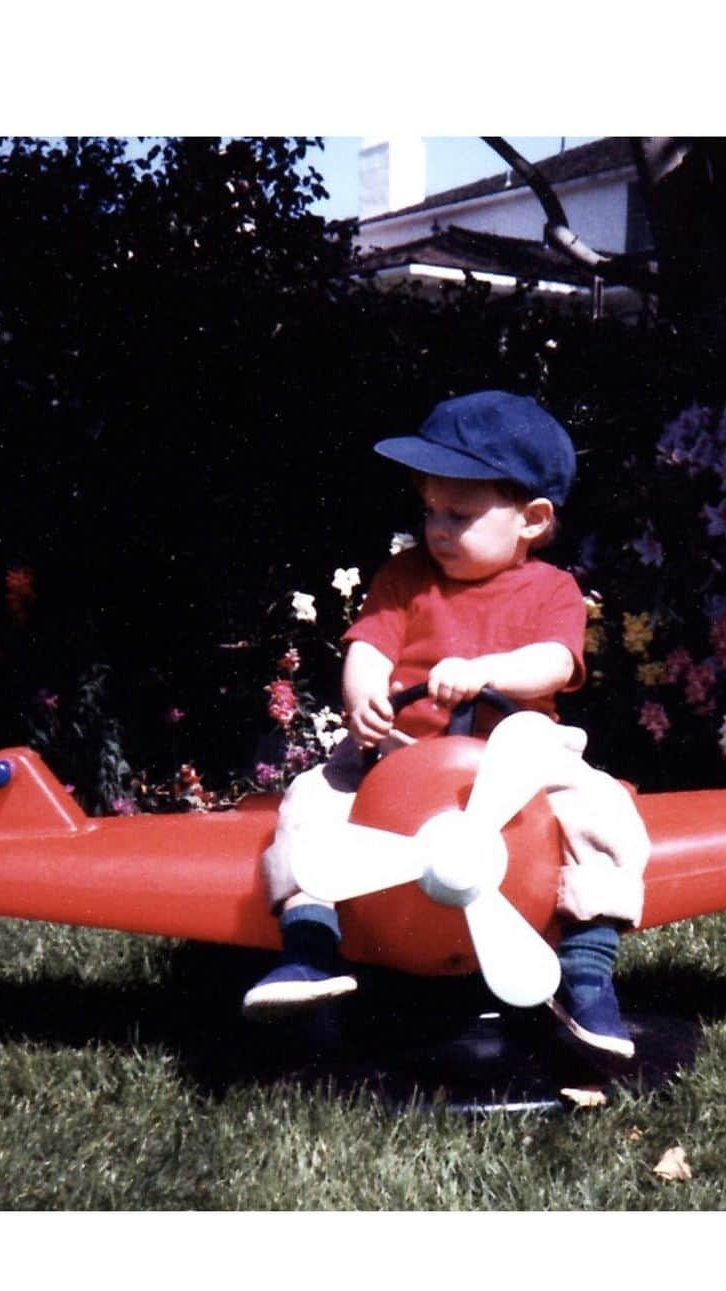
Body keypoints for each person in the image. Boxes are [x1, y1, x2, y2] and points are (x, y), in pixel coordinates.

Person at [242, 390, 650, 1059]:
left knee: (602, 810)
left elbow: (552, 662)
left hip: (516, 758)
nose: (437, 528)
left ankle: (586, 973)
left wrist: (485, 668)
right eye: (430, 510)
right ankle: (311, 947)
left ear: (533, 519)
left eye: (459, 514)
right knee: (312, 800)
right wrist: (365, 692)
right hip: (402, 753)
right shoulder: (406, 577)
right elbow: (370, 644)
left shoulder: (552, 590)